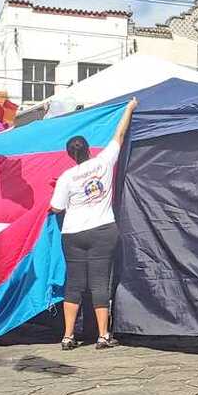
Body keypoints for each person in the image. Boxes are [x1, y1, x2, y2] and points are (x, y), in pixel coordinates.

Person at [49, 98, 137, 350]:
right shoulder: (104, 161)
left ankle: (67, 336)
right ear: (89, 149)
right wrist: (129, 108)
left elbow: (57, 207)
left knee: (74, 284)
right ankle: (103, 335)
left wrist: (55, 191)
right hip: (103, 230)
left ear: (69, 155)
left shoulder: (66, 176)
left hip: (73, 233)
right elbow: (119, 134)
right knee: (100, 283)